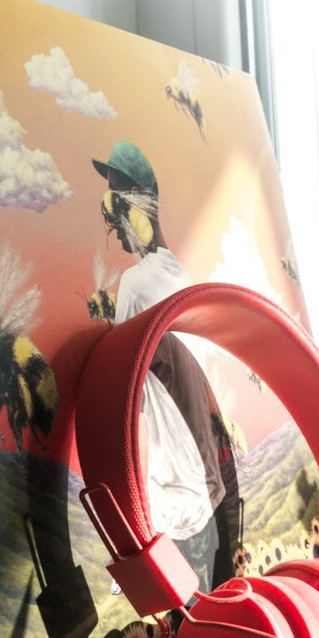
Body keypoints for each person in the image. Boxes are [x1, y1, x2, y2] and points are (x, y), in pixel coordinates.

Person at [92, 141, 236, 592]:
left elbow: (125, 406)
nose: (114, 228)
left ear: (134, 207)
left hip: (174, 505)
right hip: (208, 491)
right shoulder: (181, 276)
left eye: (117, 207)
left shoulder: (135, 285)